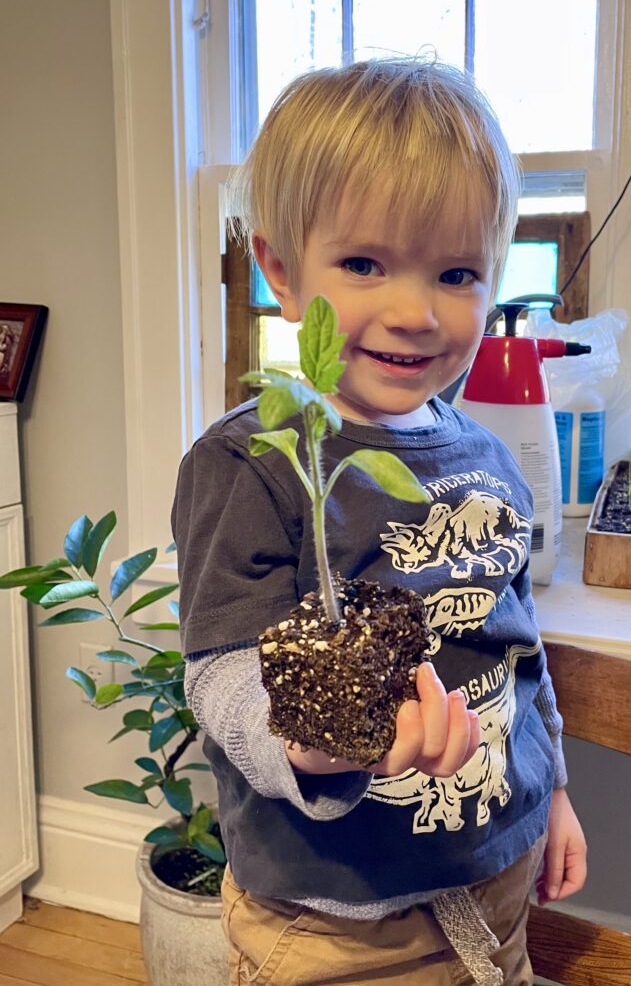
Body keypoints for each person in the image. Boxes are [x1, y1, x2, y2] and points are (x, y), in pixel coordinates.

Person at [172, 57, 587, 986]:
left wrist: (550, 788)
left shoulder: (485, 458)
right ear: (280, 269)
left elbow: (517, 647)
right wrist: (308, 739)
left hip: (497, 874)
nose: (413, 311)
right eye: (364, 264)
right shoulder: (249, 464)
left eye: (455, 272)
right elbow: (224, 669)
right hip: (337, 922)